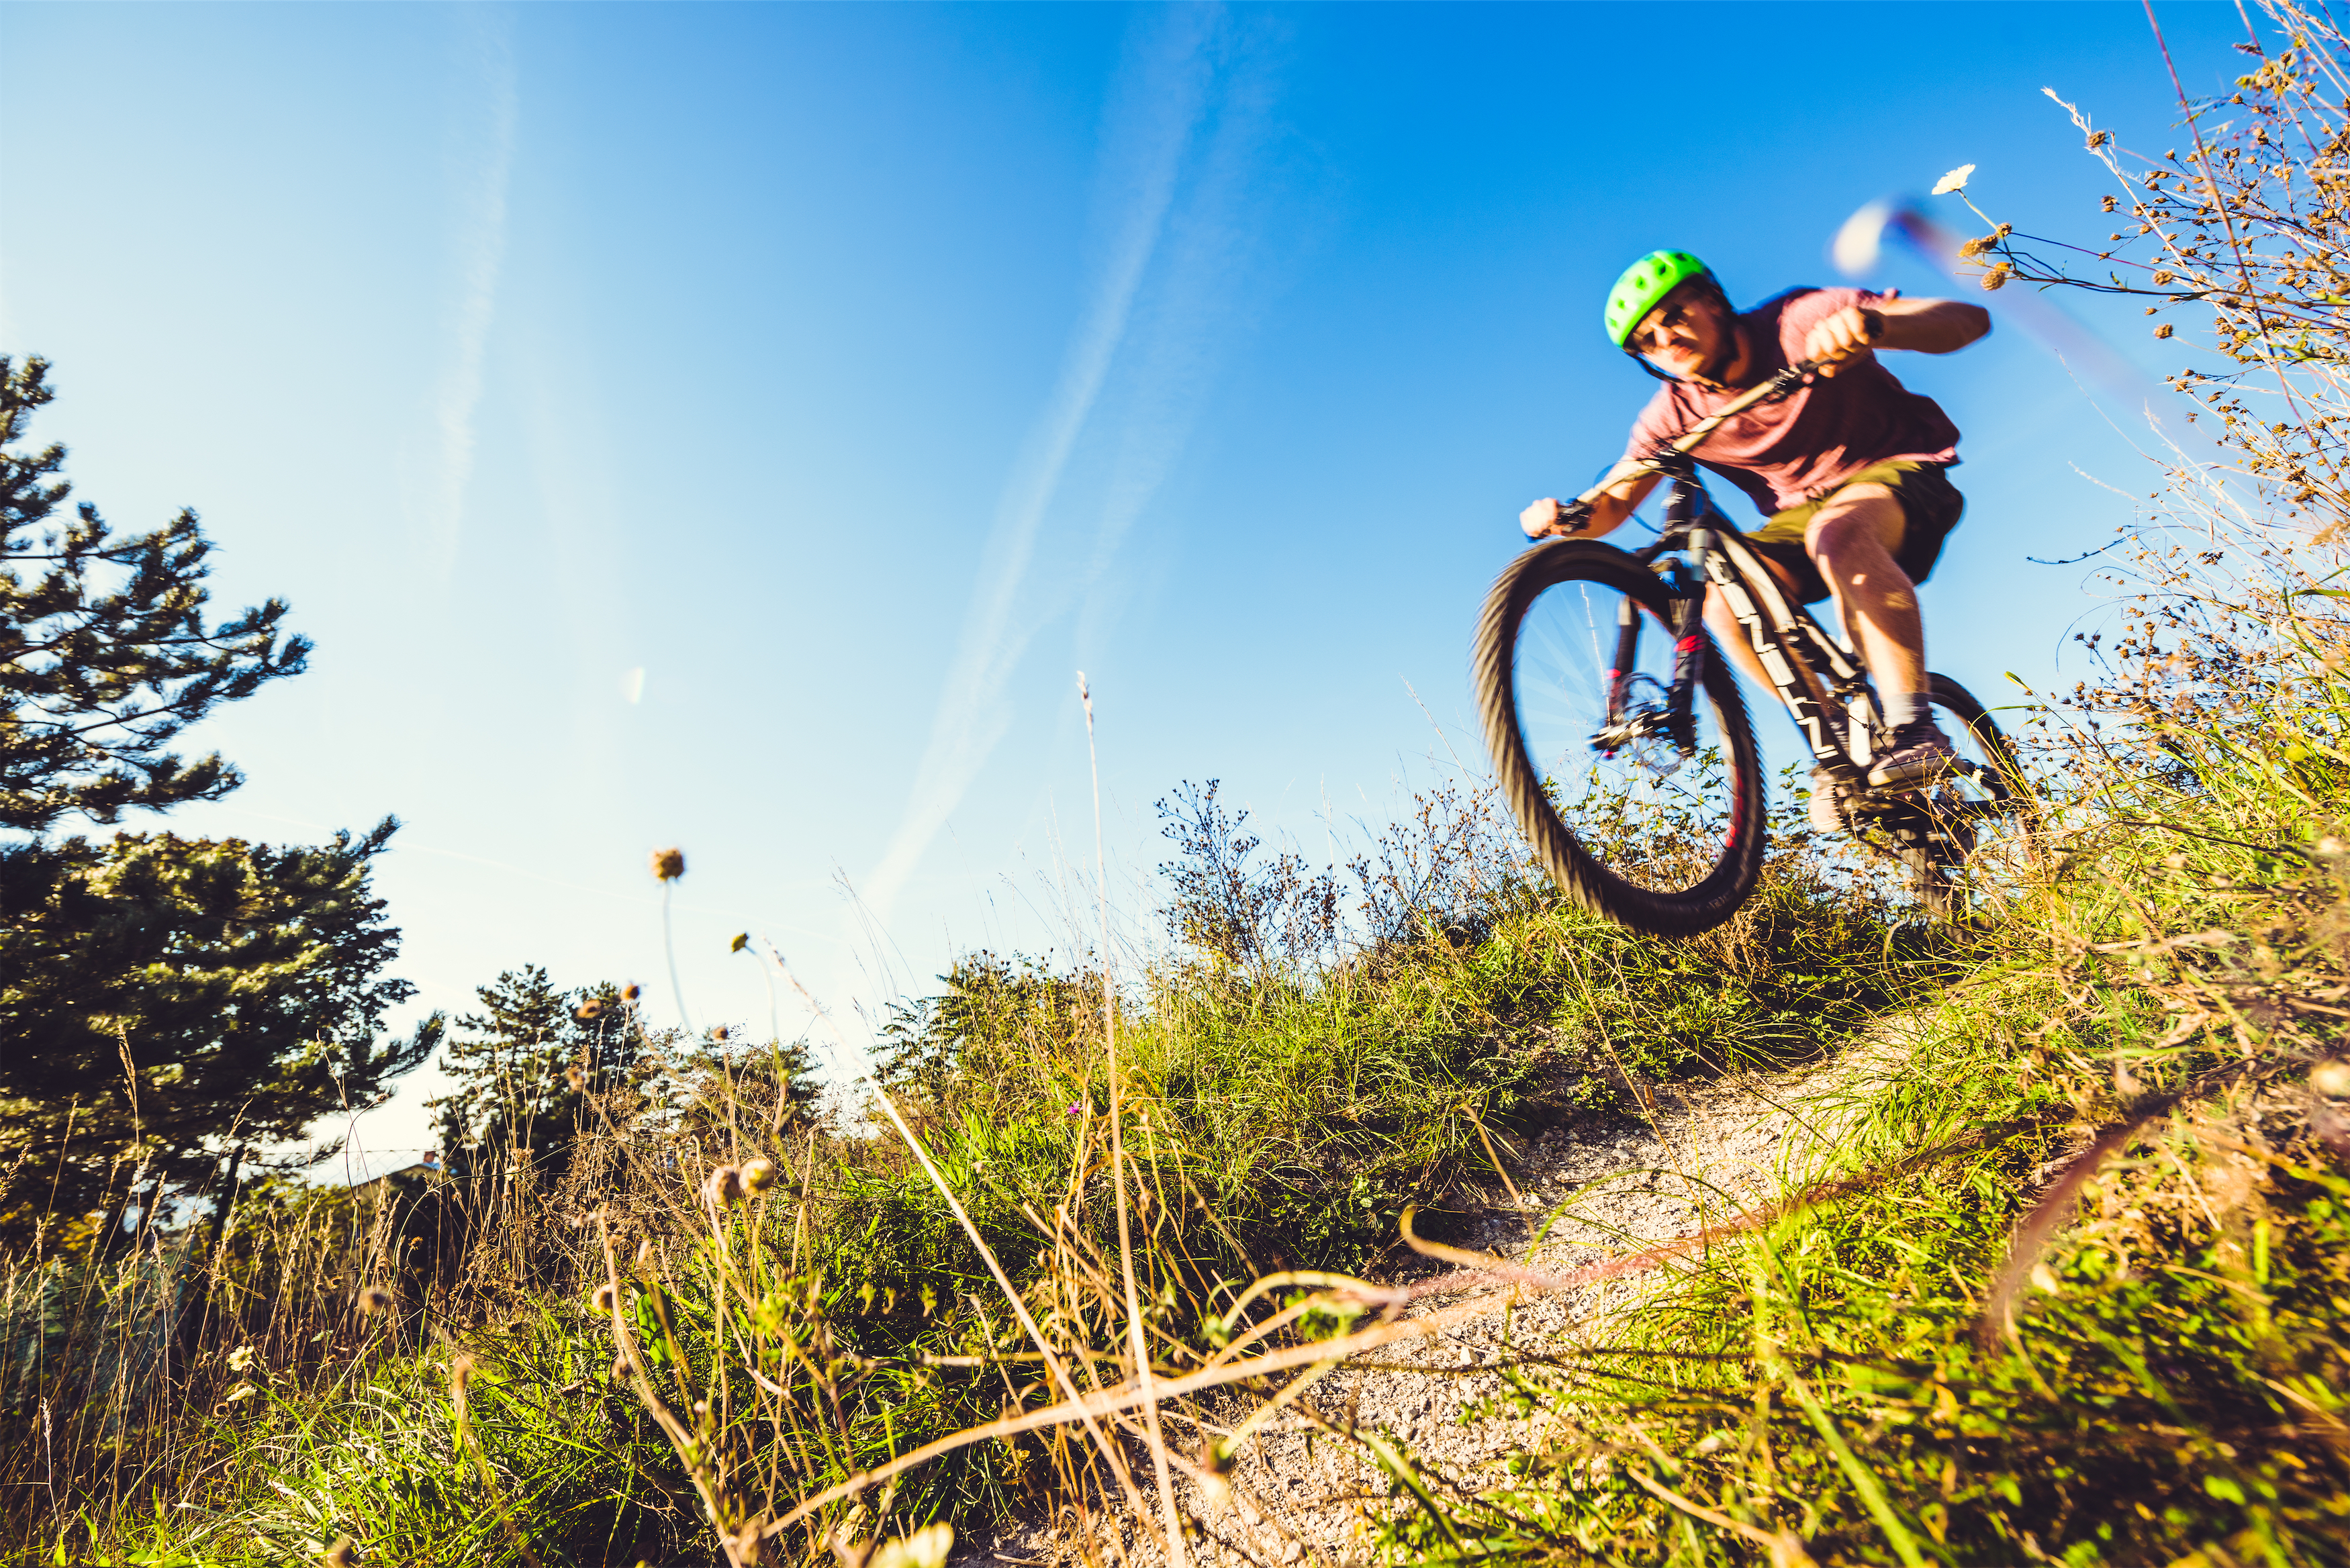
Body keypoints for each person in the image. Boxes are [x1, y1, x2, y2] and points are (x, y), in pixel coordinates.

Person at [1519, 250, 1989, 796]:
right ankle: (1841, 745)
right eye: (1647, 340)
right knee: (1723, 598)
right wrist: (1561, 520)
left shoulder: (1799, 321)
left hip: (1900, 473)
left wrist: (1872, 324)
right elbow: (1615, 503)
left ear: (1715, 301)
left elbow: (1967, 321)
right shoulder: (1673, 414)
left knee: (1835, 535)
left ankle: (1914, 727)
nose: (1667, 339)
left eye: (1674, 314)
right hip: (1801, 518)